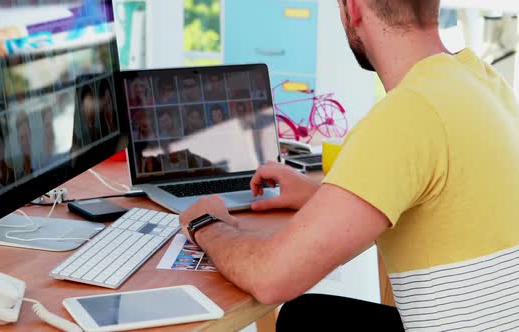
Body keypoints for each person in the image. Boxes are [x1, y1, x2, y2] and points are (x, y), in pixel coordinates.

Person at [178, 1, 519, 330]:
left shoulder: (408, 114)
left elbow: (271, 278)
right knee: (308, 317)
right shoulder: (482, 80)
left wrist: (207, 223)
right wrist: (319, 195)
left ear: (352, 8)